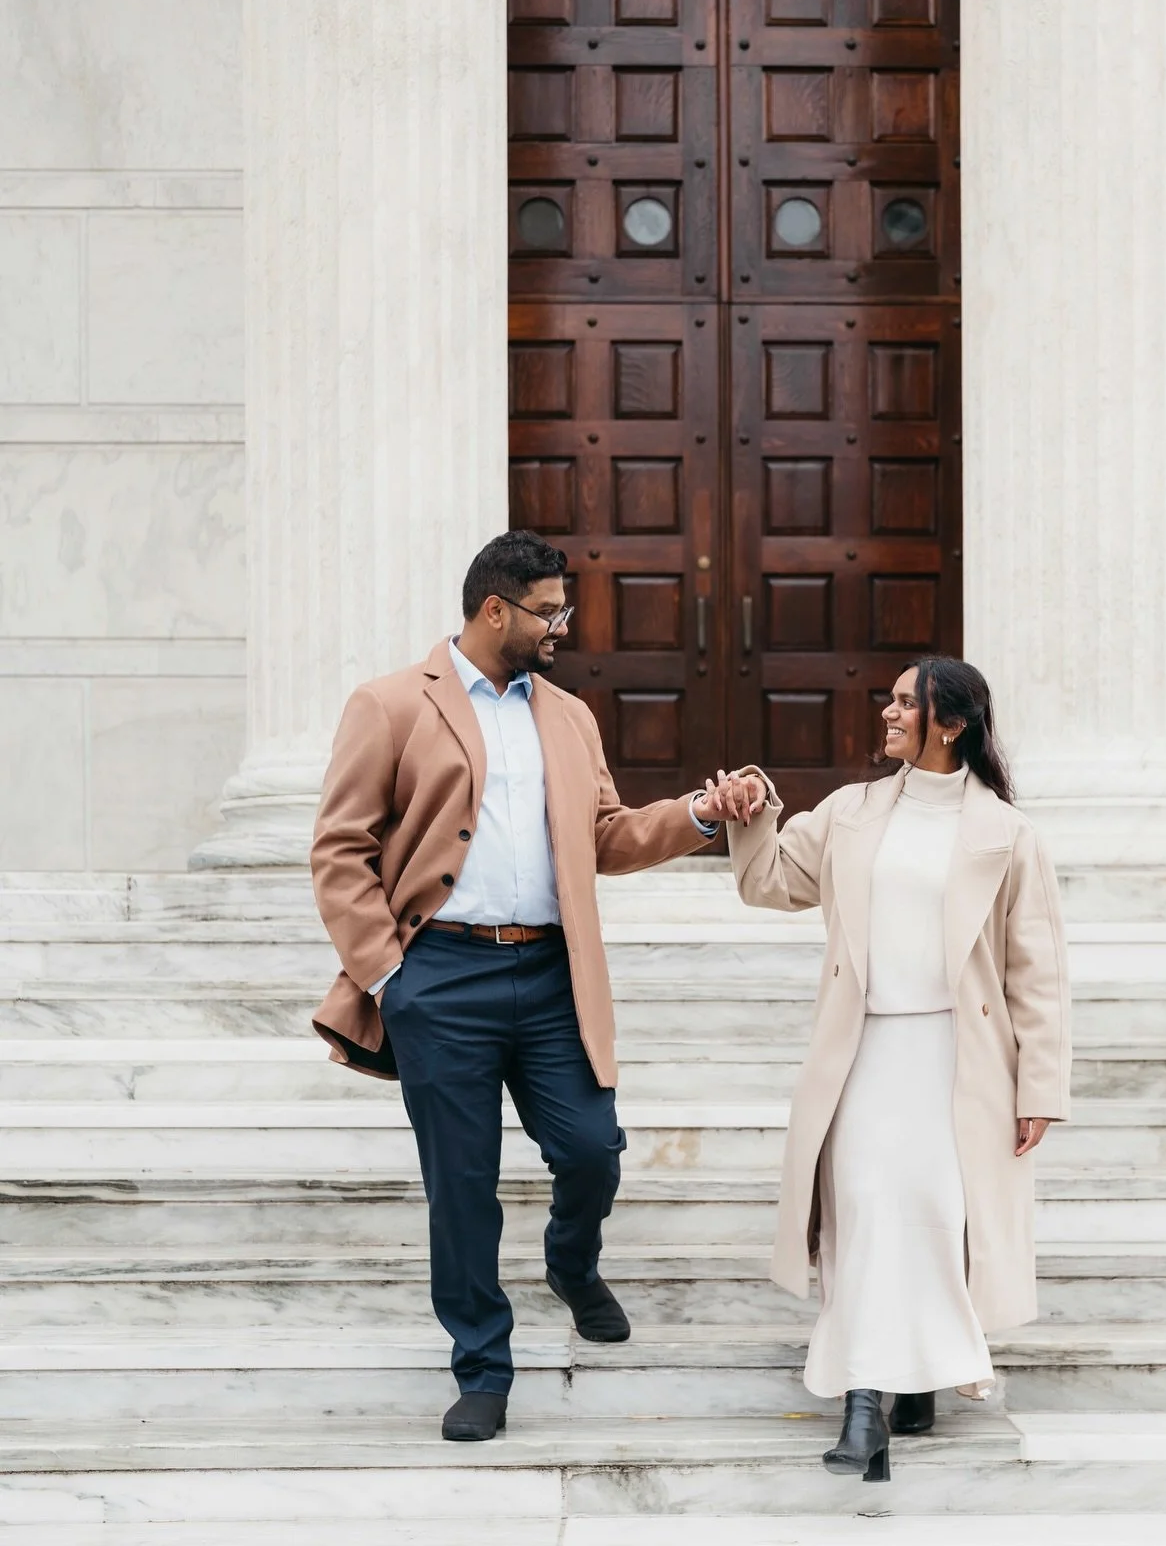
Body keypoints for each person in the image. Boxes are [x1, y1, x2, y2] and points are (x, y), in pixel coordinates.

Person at [310, 530, 741, 1442]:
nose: (563, 626)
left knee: (593, 1147)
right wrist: (391, 977)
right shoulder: (390, 703)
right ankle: (482, 1363)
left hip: (551, 973)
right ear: (493, 609)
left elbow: (609, 836)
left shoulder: (569, 715)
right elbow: (340, 849)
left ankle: (572, 1264)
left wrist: (698, 813)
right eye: (548, 611)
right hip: (441, 977)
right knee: (459, 1184)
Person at [706, 658, 1070, 1481]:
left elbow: (1038, 972)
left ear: (952, 723)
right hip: (864, 1051)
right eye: (893, 698)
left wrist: (1040, 1086)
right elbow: (767, 881)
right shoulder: (849, 813)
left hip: (959, 1060)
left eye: (909, 702)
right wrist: (754, 805)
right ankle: (865, 1400)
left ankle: (920, 1379)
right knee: (865, 1213)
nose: (890, 711)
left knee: (937, 1215)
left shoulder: (1008, 836)